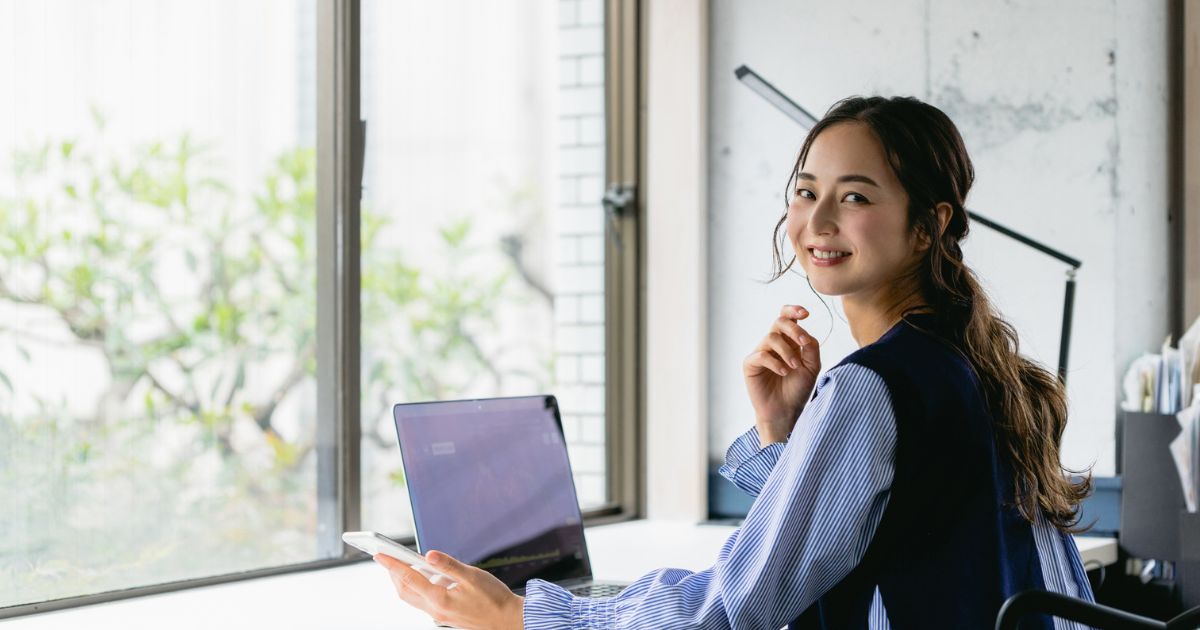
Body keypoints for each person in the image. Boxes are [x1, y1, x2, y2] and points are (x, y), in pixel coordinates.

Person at [372, 95, 1095, 629]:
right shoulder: (969, 364)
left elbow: (736, 603)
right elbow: (860, 546)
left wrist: (525, 618)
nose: (817, 222)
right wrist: (784, 433)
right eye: (806, 192)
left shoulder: (873, 387)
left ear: (929, 224)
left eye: (855, 197)